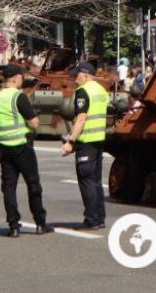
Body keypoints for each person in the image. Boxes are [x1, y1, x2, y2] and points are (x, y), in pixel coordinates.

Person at [0, 65, 51, 237]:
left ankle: (14, 226)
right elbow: (34, 123)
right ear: (16, 78)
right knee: (33, 184)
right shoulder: (19, 96)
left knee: (9, 187)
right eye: (22, 77)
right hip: (22, 146)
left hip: (4, 148)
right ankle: (40, 223)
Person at [61, 62, 108, 230]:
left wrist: (70, 141)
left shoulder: (83, 91)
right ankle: (99, 218)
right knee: (95, 181)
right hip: (98, 139)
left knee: (86, 180)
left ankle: (91, 219)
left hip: (86, 141)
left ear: (86, 75)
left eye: (77, 75)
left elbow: (81, 118)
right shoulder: (101, 90)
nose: (75, 78)